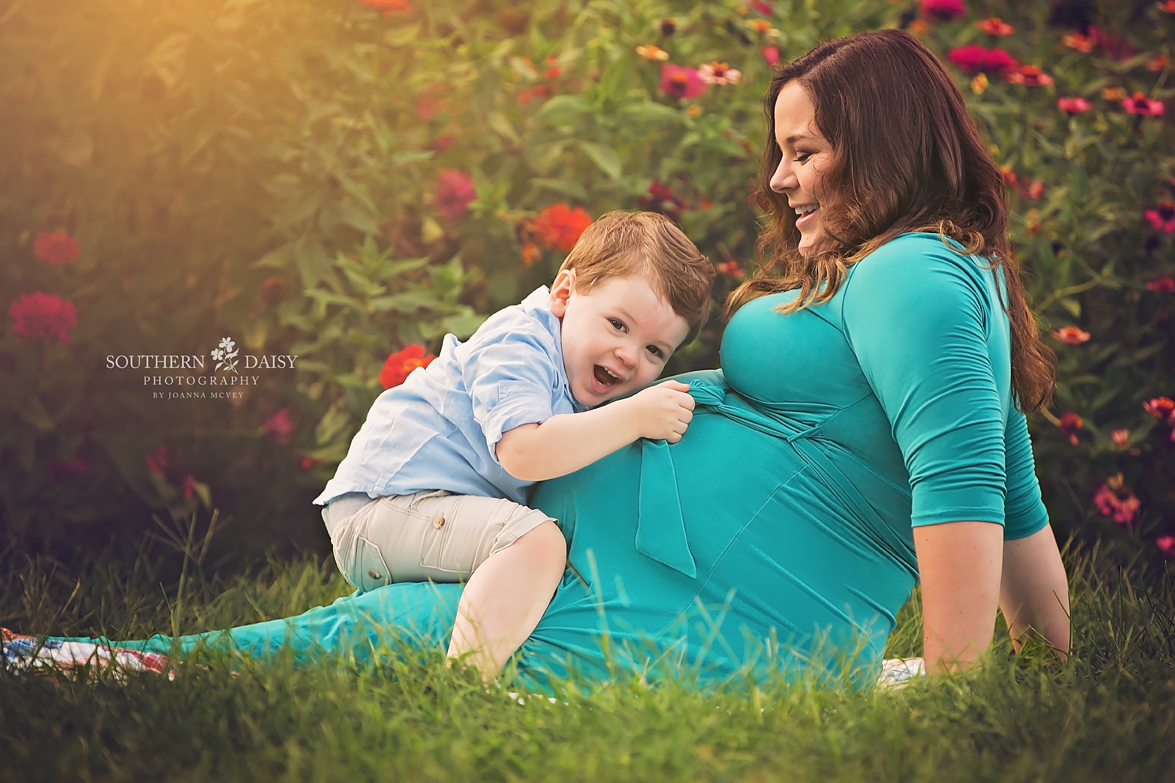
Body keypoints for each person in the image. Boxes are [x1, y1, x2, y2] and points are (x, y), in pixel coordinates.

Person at [33, 29, 1070, 689]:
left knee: (385, 634)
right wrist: (1043, 656)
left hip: (675, 612)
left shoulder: (910, 275)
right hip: (629, 572)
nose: (777, 178)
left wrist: (957, 684)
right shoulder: (933, 274)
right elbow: (1009, 476)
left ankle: (99, 663)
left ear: (882, 147)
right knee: (387, 624)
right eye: (780, 152)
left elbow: (965, 480)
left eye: (803, 153)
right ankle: (105, 660)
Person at [316, 210, 716, 675]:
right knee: (536, 543)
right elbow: (524, 452)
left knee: (526, 568)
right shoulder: (519, 341)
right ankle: (470, 680)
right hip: (383, 507)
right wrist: (634, 417)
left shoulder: (582, 383)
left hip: (423, 513)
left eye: (654, 351)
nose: (629, 355)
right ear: (564, 293)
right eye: (618, 324)